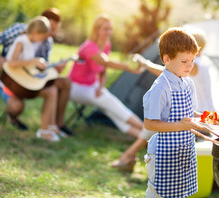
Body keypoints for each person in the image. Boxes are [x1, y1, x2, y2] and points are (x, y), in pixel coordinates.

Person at [110, 30, 215, 172]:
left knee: (153, 126)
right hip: (195, 114)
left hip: (198, 114)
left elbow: (168, 72)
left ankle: (128, 157)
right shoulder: (201, 62)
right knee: (155, 125)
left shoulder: (197, 65)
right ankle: (129, 157)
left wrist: (146, 63)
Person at [142, 27, 204, 198]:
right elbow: (149, 123)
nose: (190, 65)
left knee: (180, 194)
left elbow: (191, 113)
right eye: (184, 61)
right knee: (159, 194)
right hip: (163, 152)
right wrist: (180, 125)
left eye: (192, 60)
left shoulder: (188, 83)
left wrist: (209, 118)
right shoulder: (160, 87)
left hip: (184, 150)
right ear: (166, 59)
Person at [68, 14, 143, 139]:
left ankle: (147, 140)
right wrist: (129, 67)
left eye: (110, 29)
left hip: (93, 85)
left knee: (113, 110)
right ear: (97, 30)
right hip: (76, 87)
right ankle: (150, 132)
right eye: (105, 29)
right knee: (111, 104)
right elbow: (105, 62)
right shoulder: (89, 47)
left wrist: (101, 87)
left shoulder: (106, 45)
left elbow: (103, 71)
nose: (109, 32)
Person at [0, 8, 73, 136]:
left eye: (53, 31)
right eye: (50, 29)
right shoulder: (20, 35)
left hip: (27, 79)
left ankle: (53, 127)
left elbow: (39, 67)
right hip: (8, 78)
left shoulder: (42, 41)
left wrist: (53, 68)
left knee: (59, 86)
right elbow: (13, 61)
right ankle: (15, 118)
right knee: (17, 106)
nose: (50, 34)